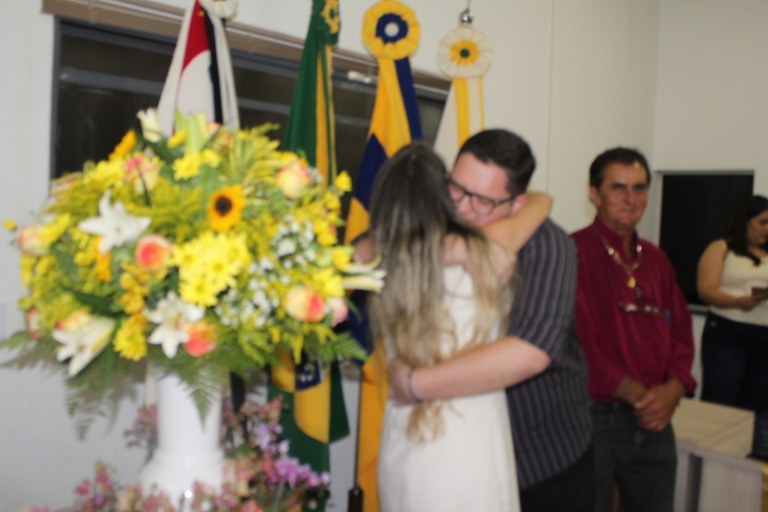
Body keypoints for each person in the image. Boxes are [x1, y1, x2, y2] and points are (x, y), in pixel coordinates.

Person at [388, 129, 595, 512]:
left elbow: (531, 351)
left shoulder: (548, 245)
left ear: (518, 204)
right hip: (456, 448)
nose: (462, 207)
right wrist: (457, 247)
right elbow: (370, 248)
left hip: (544, 453)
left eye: (483, 200)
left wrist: (414, 385)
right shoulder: (437, 224)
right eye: (456, 188)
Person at [571, 147, 696, 512]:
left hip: (654, 418)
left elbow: (681, 332)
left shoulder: (656, 259)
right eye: (618, 187)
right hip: (593, 416)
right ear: (594, 194)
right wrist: (638, 395)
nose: (630, 198)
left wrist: (674, 388)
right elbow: (578, 341)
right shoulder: (572, 252)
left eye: (639, 188)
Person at [696, 194, 768, 410]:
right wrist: (738, 302)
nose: (767, 229)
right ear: (745, 222)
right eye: (762, 222)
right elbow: (706, 290)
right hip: (728, 333)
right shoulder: (721, 248)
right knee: (720, 400)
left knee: (757, 405)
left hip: (765, 336)